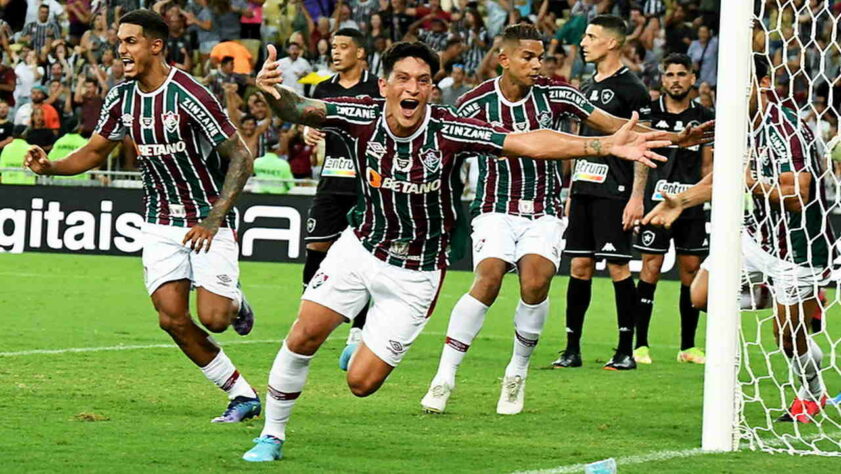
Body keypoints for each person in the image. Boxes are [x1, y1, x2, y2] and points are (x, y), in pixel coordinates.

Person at [241, 40, 671, 462]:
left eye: (423, 81)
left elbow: (528, 142)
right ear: (384, 85)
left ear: (432, 90)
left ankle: (369, 341)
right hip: (360, 248)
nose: (412, 89)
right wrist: (270, 89)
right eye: (402, 79)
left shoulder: (449, 128)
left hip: (417, 271)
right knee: (303, 336)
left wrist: (603, 144)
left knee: (361, 383)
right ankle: (272, 435)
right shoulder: (361, 115)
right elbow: (297, 108)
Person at [420, 23, 712, 416]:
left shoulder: (557, 95)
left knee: (536, 282)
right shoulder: (475, 102)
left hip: (543, 212)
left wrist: (675, 139)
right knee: (487, 278)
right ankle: (444, 377)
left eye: (541, 56)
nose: (538, 64)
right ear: (504, 59)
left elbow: (614, 127)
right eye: (528, 57)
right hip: (494, 208)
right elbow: (439, 140)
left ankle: (517, 372)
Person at [24, 9, 262, 424]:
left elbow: (242, 156)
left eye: (130, 41)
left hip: (204, 219)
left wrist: (213, 219)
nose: (121, 50)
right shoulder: (120, 97)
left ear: (156, 46)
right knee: (171, 318)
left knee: (215, 319)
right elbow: (97, 151)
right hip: (157, 221)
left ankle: (235, 300)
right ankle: (241, 394)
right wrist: (52, 167)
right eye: (120, 42)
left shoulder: (190, 94)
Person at [643, 55, 832, 424]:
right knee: (701, 295)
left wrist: (747, 181)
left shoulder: (787, 130)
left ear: (762, 84)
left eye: (741, 82)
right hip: (756, 237)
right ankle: (786, 297)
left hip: (798, 247)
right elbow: (720, 177)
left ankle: (812, 390)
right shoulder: (737, 127)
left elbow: (799, 196)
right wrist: (680, 201)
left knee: (789, 340)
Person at [554, 15, 662, 371]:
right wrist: (570, 189)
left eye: (591, 36)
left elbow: (644, 145)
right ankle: (572, 349)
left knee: (617, 266)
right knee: (580, 266)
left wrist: (637, 197)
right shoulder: (585, 87)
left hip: (615, 191)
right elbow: (580, 143)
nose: (583, 42)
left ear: (612, 43)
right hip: (583, 187)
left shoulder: (633, 89)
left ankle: (625, 350)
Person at [300, 28, 381, 370]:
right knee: (317, 247)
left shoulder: (377, 87)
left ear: (360, 54)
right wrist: (306, 130)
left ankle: (359, 330)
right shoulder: (324, 88)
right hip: (332, 179)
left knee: (366, 257)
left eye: (344, 47)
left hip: (365, 184)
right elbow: (308, 122)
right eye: (333, 47)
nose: (336, 52)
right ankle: (310, 311)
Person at [632, 53, 714, 366]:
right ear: (662, 79)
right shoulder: (650, 115)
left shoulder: (705, 117)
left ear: (693, 78)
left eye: (682, 74)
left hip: (690, 206)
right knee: (650, 267)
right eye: (670, 74)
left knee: (691, 270)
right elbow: (640, 158)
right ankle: (641, 345)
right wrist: (638, 199)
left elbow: (708, 164)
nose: (675, 80)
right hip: (656, 205)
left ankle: (688, 347)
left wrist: (702, 199)